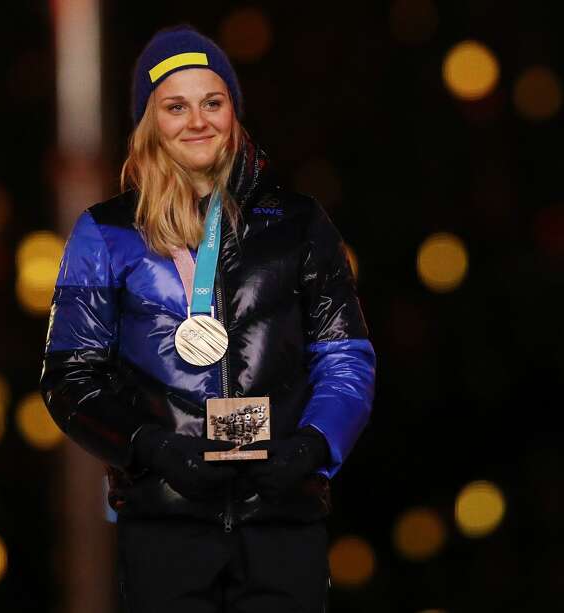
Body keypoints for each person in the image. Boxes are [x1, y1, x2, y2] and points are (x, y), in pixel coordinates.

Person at [40, 25, 376, 613]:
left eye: (212, 103)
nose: (197, 121)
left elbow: (345, 358)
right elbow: (71, 378)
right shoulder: (106, 232)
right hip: (165, 523)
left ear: (234, 113)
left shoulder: (298, 224)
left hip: (281, 519)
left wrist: (313, 447)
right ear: (150, 121)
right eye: (176, 106)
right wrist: (152, 449)